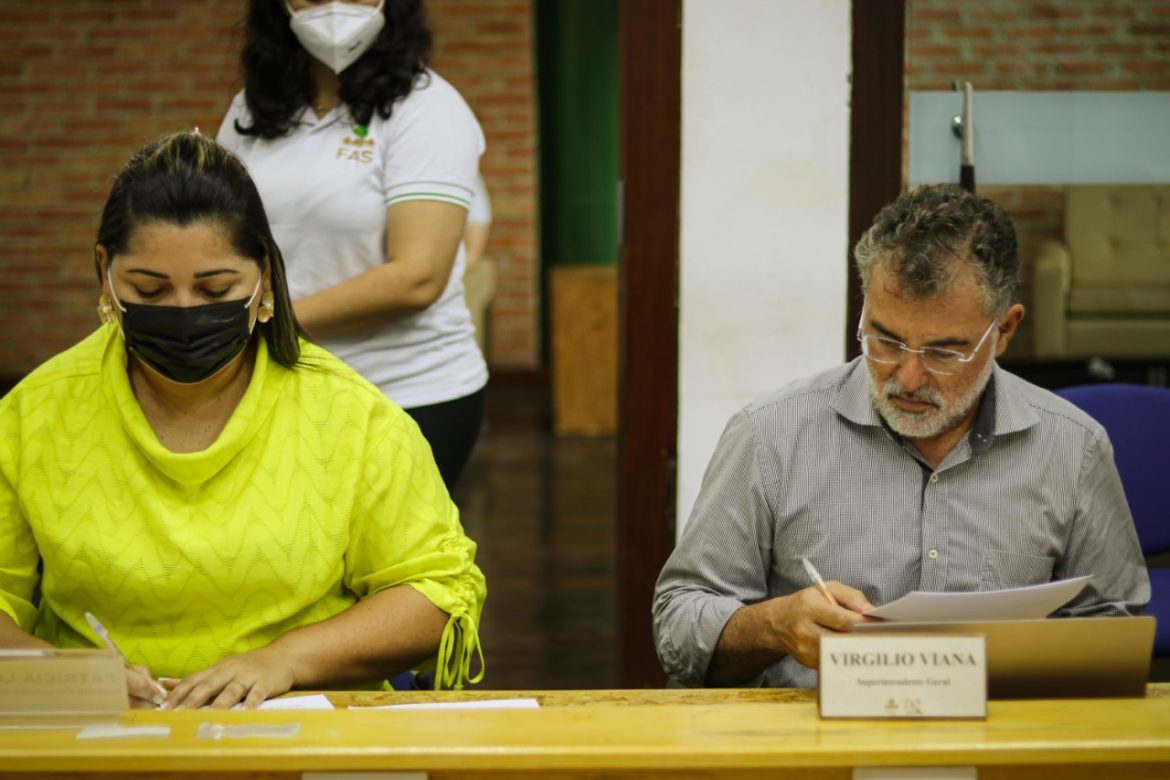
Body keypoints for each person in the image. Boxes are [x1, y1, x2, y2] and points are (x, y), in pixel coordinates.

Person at [0, 131, 486, 709]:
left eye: (215, 288)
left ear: (264, 280)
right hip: (100, 728)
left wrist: (286, 659)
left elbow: (437, 590)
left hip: (299, 723)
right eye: (149, 288)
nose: (183, 311)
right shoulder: (37, 414)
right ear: (105, 272)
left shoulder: (350, 417)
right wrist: (68, 676)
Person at [652, 184, 1150, 689]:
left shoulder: (1073, 448)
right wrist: (771, 625)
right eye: (885, 340)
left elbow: (1114, 629)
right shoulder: (772, 434)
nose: (907, 378)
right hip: (812, 746)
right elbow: (678, 621)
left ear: (1003, 331)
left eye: (943, 352)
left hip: (996, 742)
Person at [216, 0, 487, 492]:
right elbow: (222, 235)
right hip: (278, 387)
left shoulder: (428, 108)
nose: (334, 4)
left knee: (380, 566)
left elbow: (417, 279)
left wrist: (250, 325)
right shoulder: (251, 111)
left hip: (405, 395)